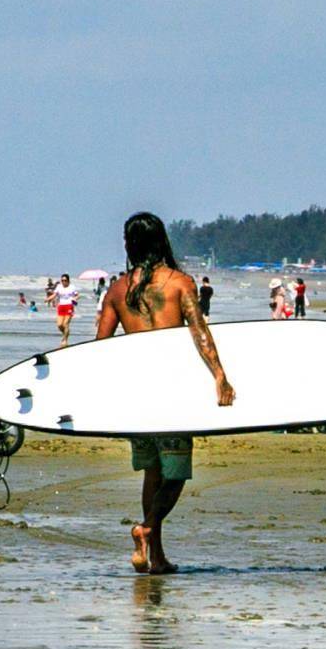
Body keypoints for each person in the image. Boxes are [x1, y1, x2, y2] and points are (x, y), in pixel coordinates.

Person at [97, 211, 234, 574]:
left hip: (135, 397)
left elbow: (99, 349)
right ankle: (146, 528)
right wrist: (220, 375)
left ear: (129, 245)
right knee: (174, 475)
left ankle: (155, 556)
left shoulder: (116, 290)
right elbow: (199, 332)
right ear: (162, 242)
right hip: (171, 395)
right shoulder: (179, 284)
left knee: (152, 473)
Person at [54, 273, 78, 346]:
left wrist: (75, 299)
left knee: (65, 324)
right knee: (59, 325)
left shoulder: (72, 287)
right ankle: (65, 333)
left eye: (65, 280)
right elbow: (54, 295)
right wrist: (48, 299)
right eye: (62, 280)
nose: (63, 282)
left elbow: (77, 295)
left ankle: (64, 340)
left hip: (69, 306)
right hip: (61, 306)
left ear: (68, 281)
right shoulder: (59, 287)